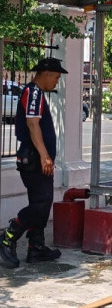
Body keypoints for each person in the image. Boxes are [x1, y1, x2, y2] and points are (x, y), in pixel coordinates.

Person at [0, 57, 68, 268]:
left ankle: (36, 247)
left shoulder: (36, 93)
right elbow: (32, 124)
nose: (56, 81)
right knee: (41, 203)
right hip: (34, 158)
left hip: (36, 157)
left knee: (41, 201)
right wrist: (44, 156)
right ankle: (8, 237)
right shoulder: (33, 92)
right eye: (56, 77)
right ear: (45, 73)